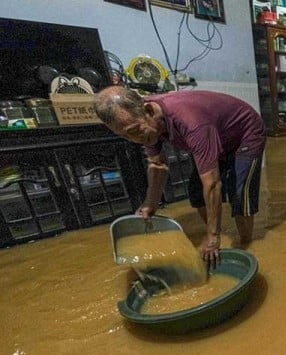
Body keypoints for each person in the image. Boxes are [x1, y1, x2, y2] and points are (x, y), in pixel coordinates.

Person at [93, 86, 266, 267]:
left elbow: (213, 183)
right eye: (125, 136)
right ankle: (218, 230)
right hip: (215, 135)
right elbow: (158, 164)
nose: (134, 139)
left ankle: (246, 244)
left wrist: (212, 239)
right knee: (197, 192)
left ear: (149, 111)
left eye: (135, 131)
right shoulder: (146, 123)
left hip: (245, 134)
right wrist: (150, 204)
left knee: (239, 193)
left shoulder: (190, 121)